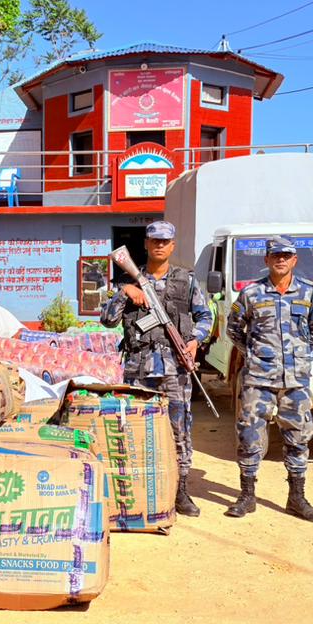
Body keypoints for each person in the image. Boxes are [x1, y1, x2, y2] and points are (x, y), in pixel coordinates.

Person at [100, 220, 213, 517]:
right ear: (146, 245)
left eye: (165, 241)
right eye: (155, 240)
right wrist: (126, 292)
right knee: (135, 432)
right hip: (139, 371)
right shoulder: (129, 282)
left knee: (179, 429)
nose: (160, 245)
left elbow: (205, 318)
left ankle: (181, 491)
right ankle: (136, 493)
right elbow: (108, 321)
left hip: (175, 370)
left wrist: (194, 341)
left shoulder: (185, 281)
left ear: (172, 246)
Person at [225, 235, 313, 522]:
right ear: (266, 260)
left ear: (294, 259)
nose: (281, 259)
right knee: (249, 435)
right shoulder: (251, 294)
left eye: (286, 255)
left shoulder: (309, 293)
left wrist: (298, 355)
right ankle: (247, 496)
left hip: (296, 381)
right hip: (258, 379)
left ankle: (297, 497)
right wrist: (256, 353)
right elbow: (234, 329)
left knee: (298, 437)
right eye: (275, 255)